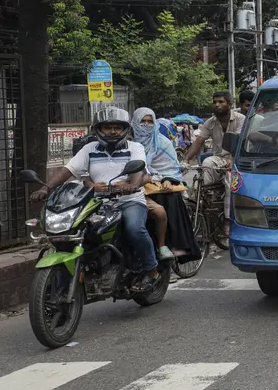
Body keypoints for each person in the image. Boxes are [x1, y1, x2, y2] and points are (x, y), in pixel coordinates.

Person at [30, 107, 160, 292]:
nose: (113, 131)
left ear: (125, 129)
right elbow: (68, 170)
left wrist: (132, 185)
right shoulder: (89, 149)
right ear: (98, 129)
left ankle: (151, 271)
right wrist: (46, 188)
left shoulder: (135, 147)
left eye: (117, 127)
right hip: (96, 203)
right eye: (108, 127)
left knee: (134, 228)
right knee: (76, 232)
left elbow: (138, 170)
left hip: (128, 200)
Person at [182, 91, 246, 236]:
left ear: (229, 104)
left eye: (221, 102)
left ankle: (228, 221)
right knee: (205, 166)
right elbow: (198, 142)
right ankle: (204, 212)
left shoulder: (241, 119)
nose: (217, 105)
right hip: (218, 159)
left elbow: (238, 142)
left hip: (237, 158)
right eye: (215, 102)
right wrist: (185, 161)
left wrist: (232, 160)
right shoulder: (210, 122)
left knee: (231, 179)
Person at [133, 108, 182, 261]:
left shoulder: (162, 142)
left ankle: (166, 246)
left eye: (150, 122)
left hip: (155, 185)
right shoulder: (127, 142)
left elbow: (171, 167)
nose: (146, 125)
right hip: (129, 186)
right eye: (143, 121)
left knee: (167, 201)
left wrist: (167, 179)